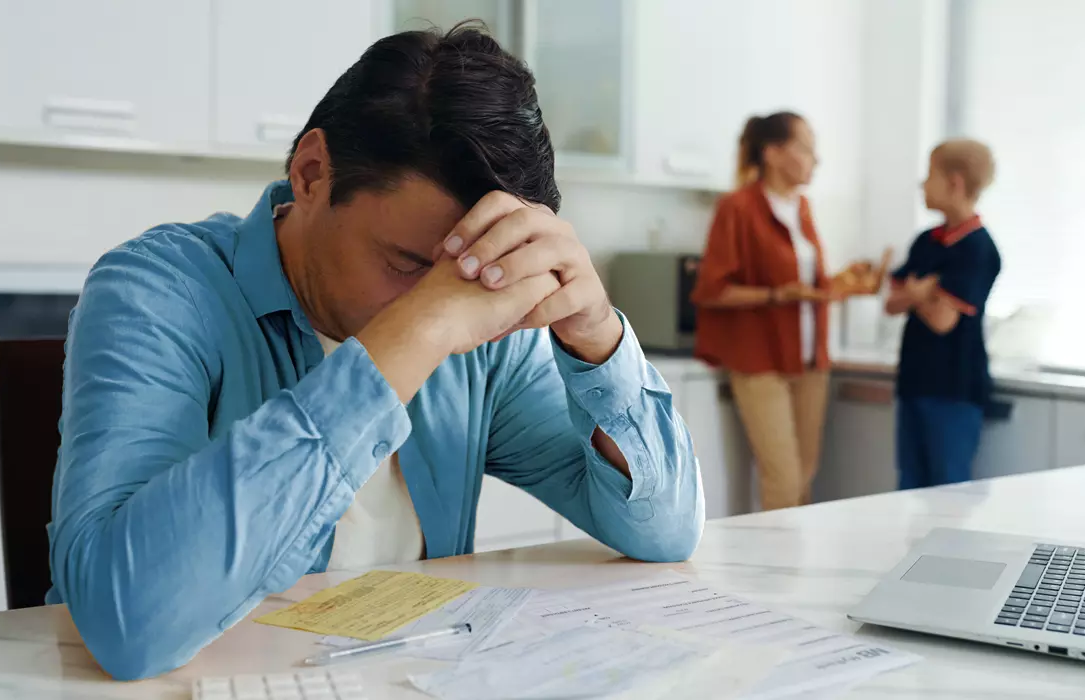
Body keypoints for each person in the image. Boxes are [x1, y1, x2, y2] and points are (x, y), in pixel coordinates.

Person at [47, 25, 704, 681]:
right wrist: (413, 334)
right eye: (407, 263)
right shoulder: (160, 290)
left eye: (465, 279)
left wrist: (595, 335)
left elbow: (663, 531)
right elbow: (126, 627)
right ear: (310, 173)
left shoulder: (480, 321)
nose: (446, 297)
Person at [690, 112, 831, 511]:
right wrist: (775, 295)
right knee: (783, 481)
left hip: (809, 360)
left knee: (804, 479)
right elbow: (712, 290)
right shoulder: (737, 207)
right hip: (760, 359)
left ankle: (794, 571)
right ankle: (776, 570)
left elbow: (806, 283)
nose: (815, 158)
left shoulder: (802, 207)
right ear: (772, 153)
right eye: (805, 147)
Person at [884, 139, 1001, 489]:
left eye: (929, 175)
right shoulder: (926, 241)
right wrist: (927, 292)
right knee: (908, 487)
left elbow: (942, 321)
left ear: (955, 182)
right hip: (914, 383)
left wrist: (915, 293)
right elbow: (891, 303)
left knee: (948, 491)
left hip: (953, 390)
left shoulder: (979, 249)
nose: (922, 184)